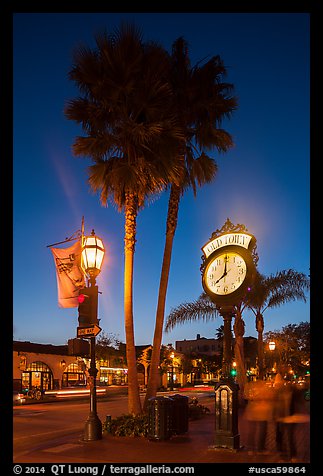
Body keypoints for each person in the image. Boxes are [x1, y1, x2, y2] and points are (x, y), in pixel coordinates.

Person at [243, 379, 275, 452]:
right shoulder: (266, 387)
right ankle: (260, 448)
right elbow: (271, 396)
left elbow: (245, 396)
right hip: (262, 412)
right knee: (261, 430)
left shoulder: (250, 386)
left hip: (253, 412)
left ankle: (251, 448)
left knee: (252, 431)